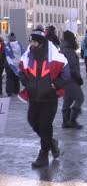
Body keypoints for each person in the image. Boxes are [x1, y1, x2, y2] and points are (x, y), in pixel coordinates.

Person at [18, 26, 70, 168]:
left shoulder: (54, 56)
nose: (32, 44)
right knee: (32, 121)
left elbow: (66, 74)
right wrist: (26, 83)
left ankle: (43, 155)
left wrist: (55, 85)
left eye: (34, 42)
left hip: (49, 98)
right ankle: (51, 142)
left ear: (41, 42)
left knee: (45, 125)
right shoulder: (29, 55)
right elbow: (21, 70)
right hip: (34, 97)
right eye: (31, 42)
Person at [60, 30, 84, 129]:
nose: (75, 40)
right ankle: (72, 120)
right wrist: (78, 78)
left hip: (65, 79)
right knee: (79, 97)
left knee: (68, 99)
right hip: (71, 79)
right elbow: (72, 67)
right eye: (73, 38)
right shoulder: (68, 51)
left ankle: (66, 121)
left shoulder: (64, 49)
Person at [4, 33, 25, 97]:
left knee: (9, 78)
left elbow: (3, 54)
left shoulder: (6, 45)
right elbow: (23, 53)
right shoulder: (19, 45)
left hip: (9, 63)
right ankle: (16, 90)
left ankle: (9, 91)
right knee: (16, 78)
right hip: (18, 64)